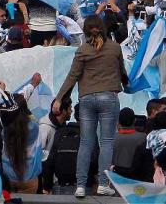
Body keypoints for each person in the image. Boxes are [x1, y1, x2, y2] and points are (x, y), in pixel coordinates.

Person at [54, 15, 128, 198]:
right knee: (106, 142)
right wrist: (127, 84)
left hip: (86, 98)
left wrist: (59, 99)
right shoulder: (115, 48)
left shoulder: (82, 50)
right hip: (109, 97)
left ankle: (80, 186)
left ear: (85, 31)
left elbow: (72, 76)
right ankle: (103, 184)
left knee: (86, 143)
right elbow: (122, 72)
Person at [112, 107, 152, 182]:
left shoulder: (111, 139)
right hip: (137, 180)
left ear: (118, 122)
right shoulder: (143, 137)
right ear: (134, 120)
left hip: (116, 178)